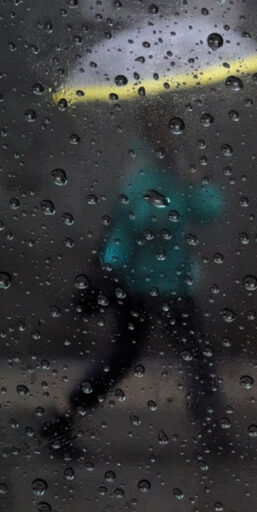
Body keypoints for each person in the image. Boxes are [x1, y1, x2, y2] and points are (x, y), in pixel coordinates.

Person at [41, 128, 227, 459]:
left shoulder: (178, 170)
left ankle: (214, 433)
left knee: (198, 358)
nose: (173, 138)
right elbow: (132, 226)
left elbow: (210, 212)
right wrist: (111, 270)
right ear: (155, 136)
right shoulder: (142, 174)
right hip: (139, 287)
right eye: (167, 132)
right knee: (120, 360)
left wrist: (194, 180)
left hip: (177, 285)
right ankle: (62, 416)